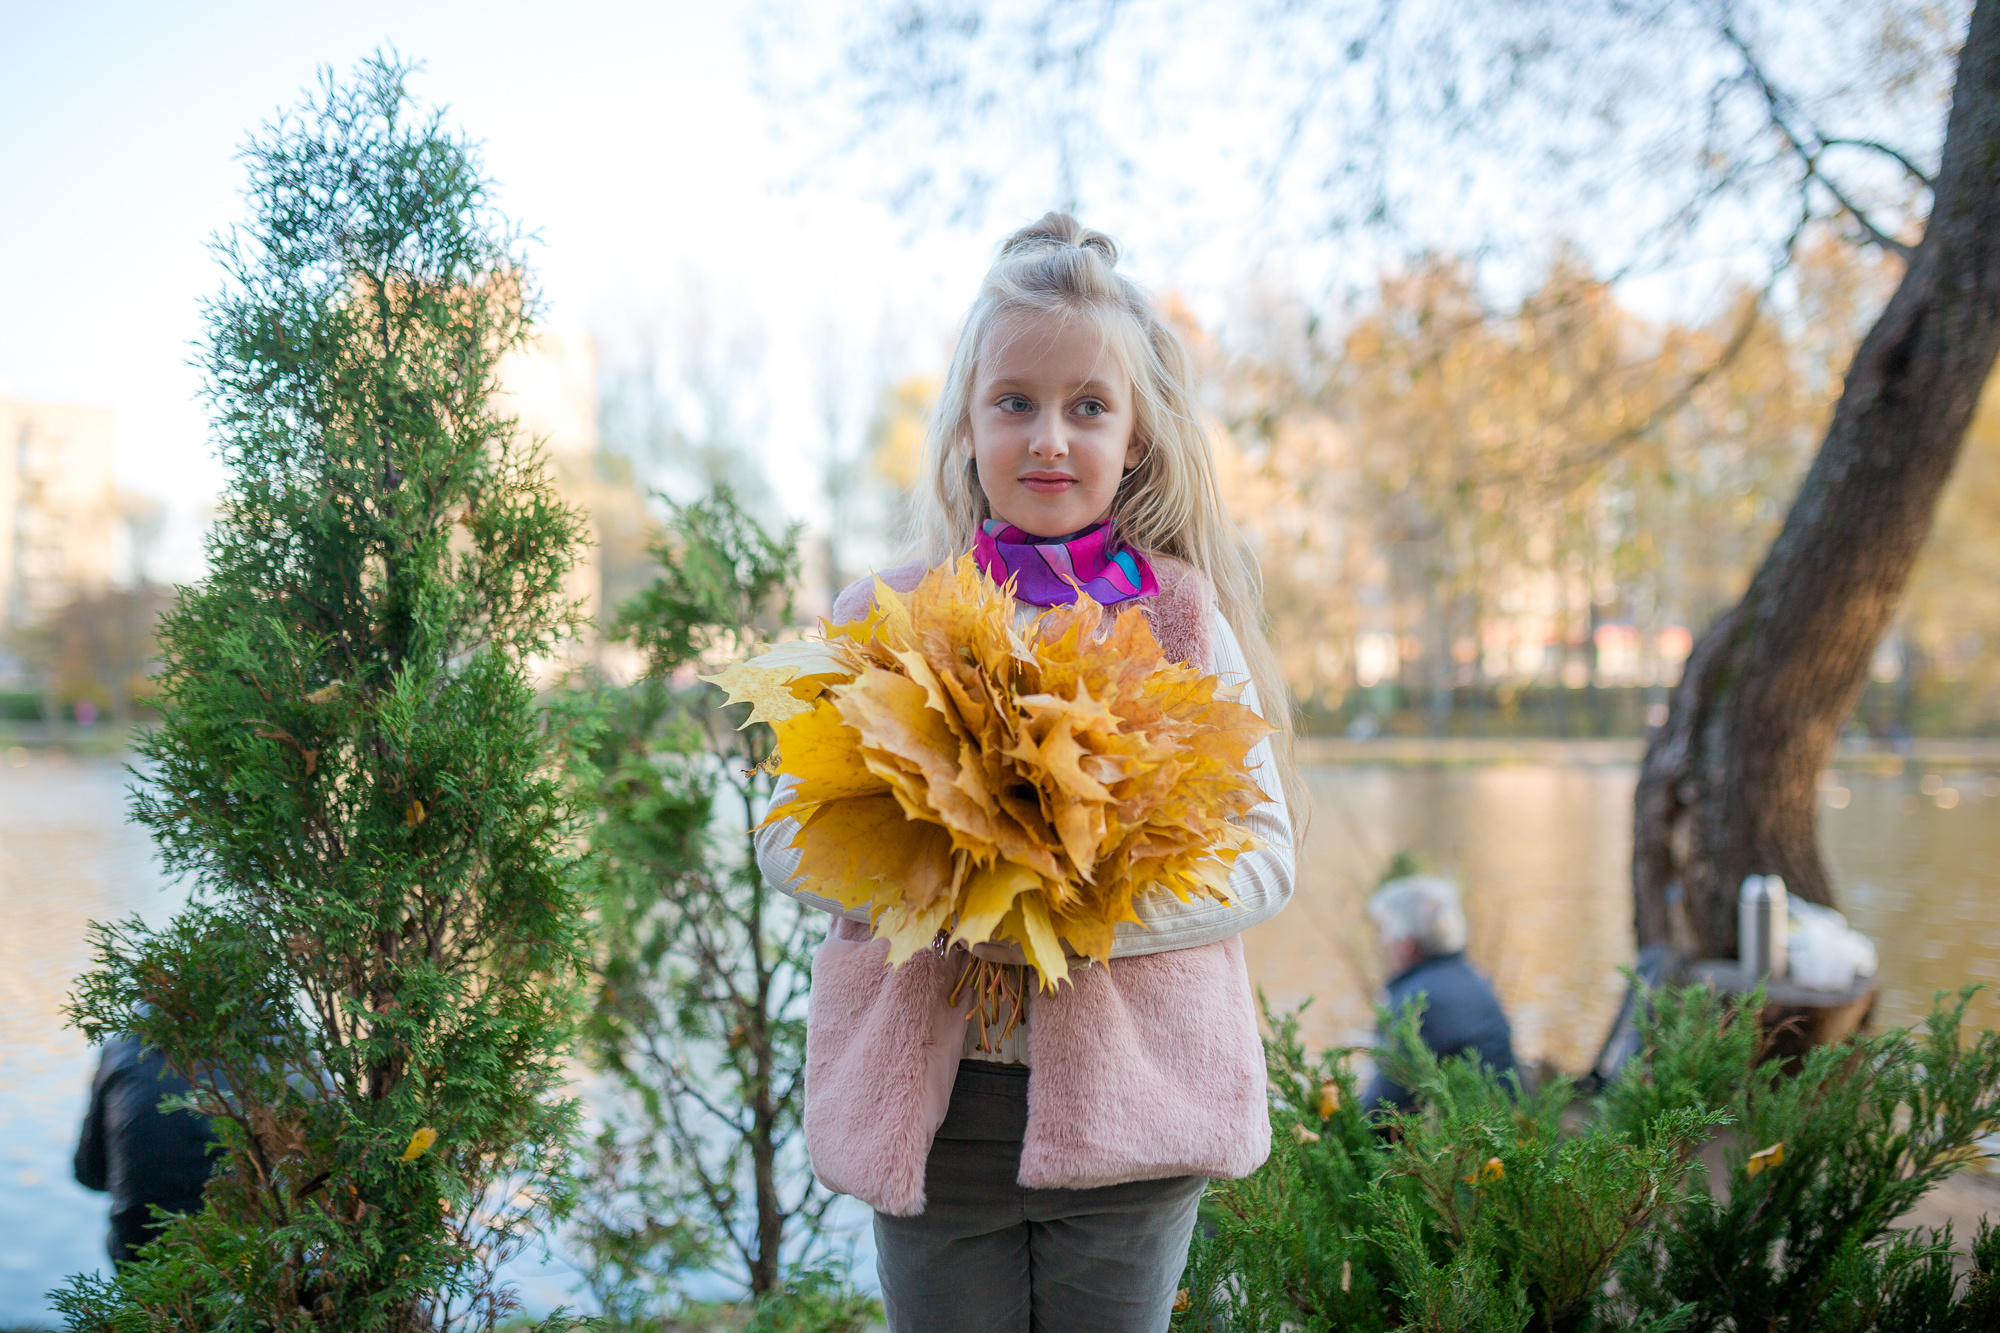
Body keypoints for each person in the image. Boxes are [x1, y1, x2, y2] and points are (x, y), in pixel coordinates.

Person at [756, 213, 1303, 1333]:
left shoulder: (1183, 622)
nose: (1048, 437)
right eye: (1014, 401)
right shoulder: (886, 616)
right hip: (934, 1109)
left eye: (1087, 406)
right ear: (965, 423)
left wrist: (1072, 901)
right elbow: (784, 834)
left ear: (1136, 435)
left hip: (1133, 1114)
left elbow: (1263, 858)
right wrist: (942, 880)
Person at [1360, 875, 1518, 1112]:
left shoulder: (1418, 1001)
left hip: (1468, 1136)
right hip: (1502, 1124)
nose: (1381, 943)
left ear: (1406, 944)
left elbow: (1384, 1105)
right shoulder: (1472, 978)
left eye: (1383, 931)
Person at [73, 1032, 218, 1263]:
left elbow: (89, 1173)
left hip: (144, 1254)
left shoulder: (118, 1048)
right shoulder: (270, 1045)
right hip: (249, 1243)